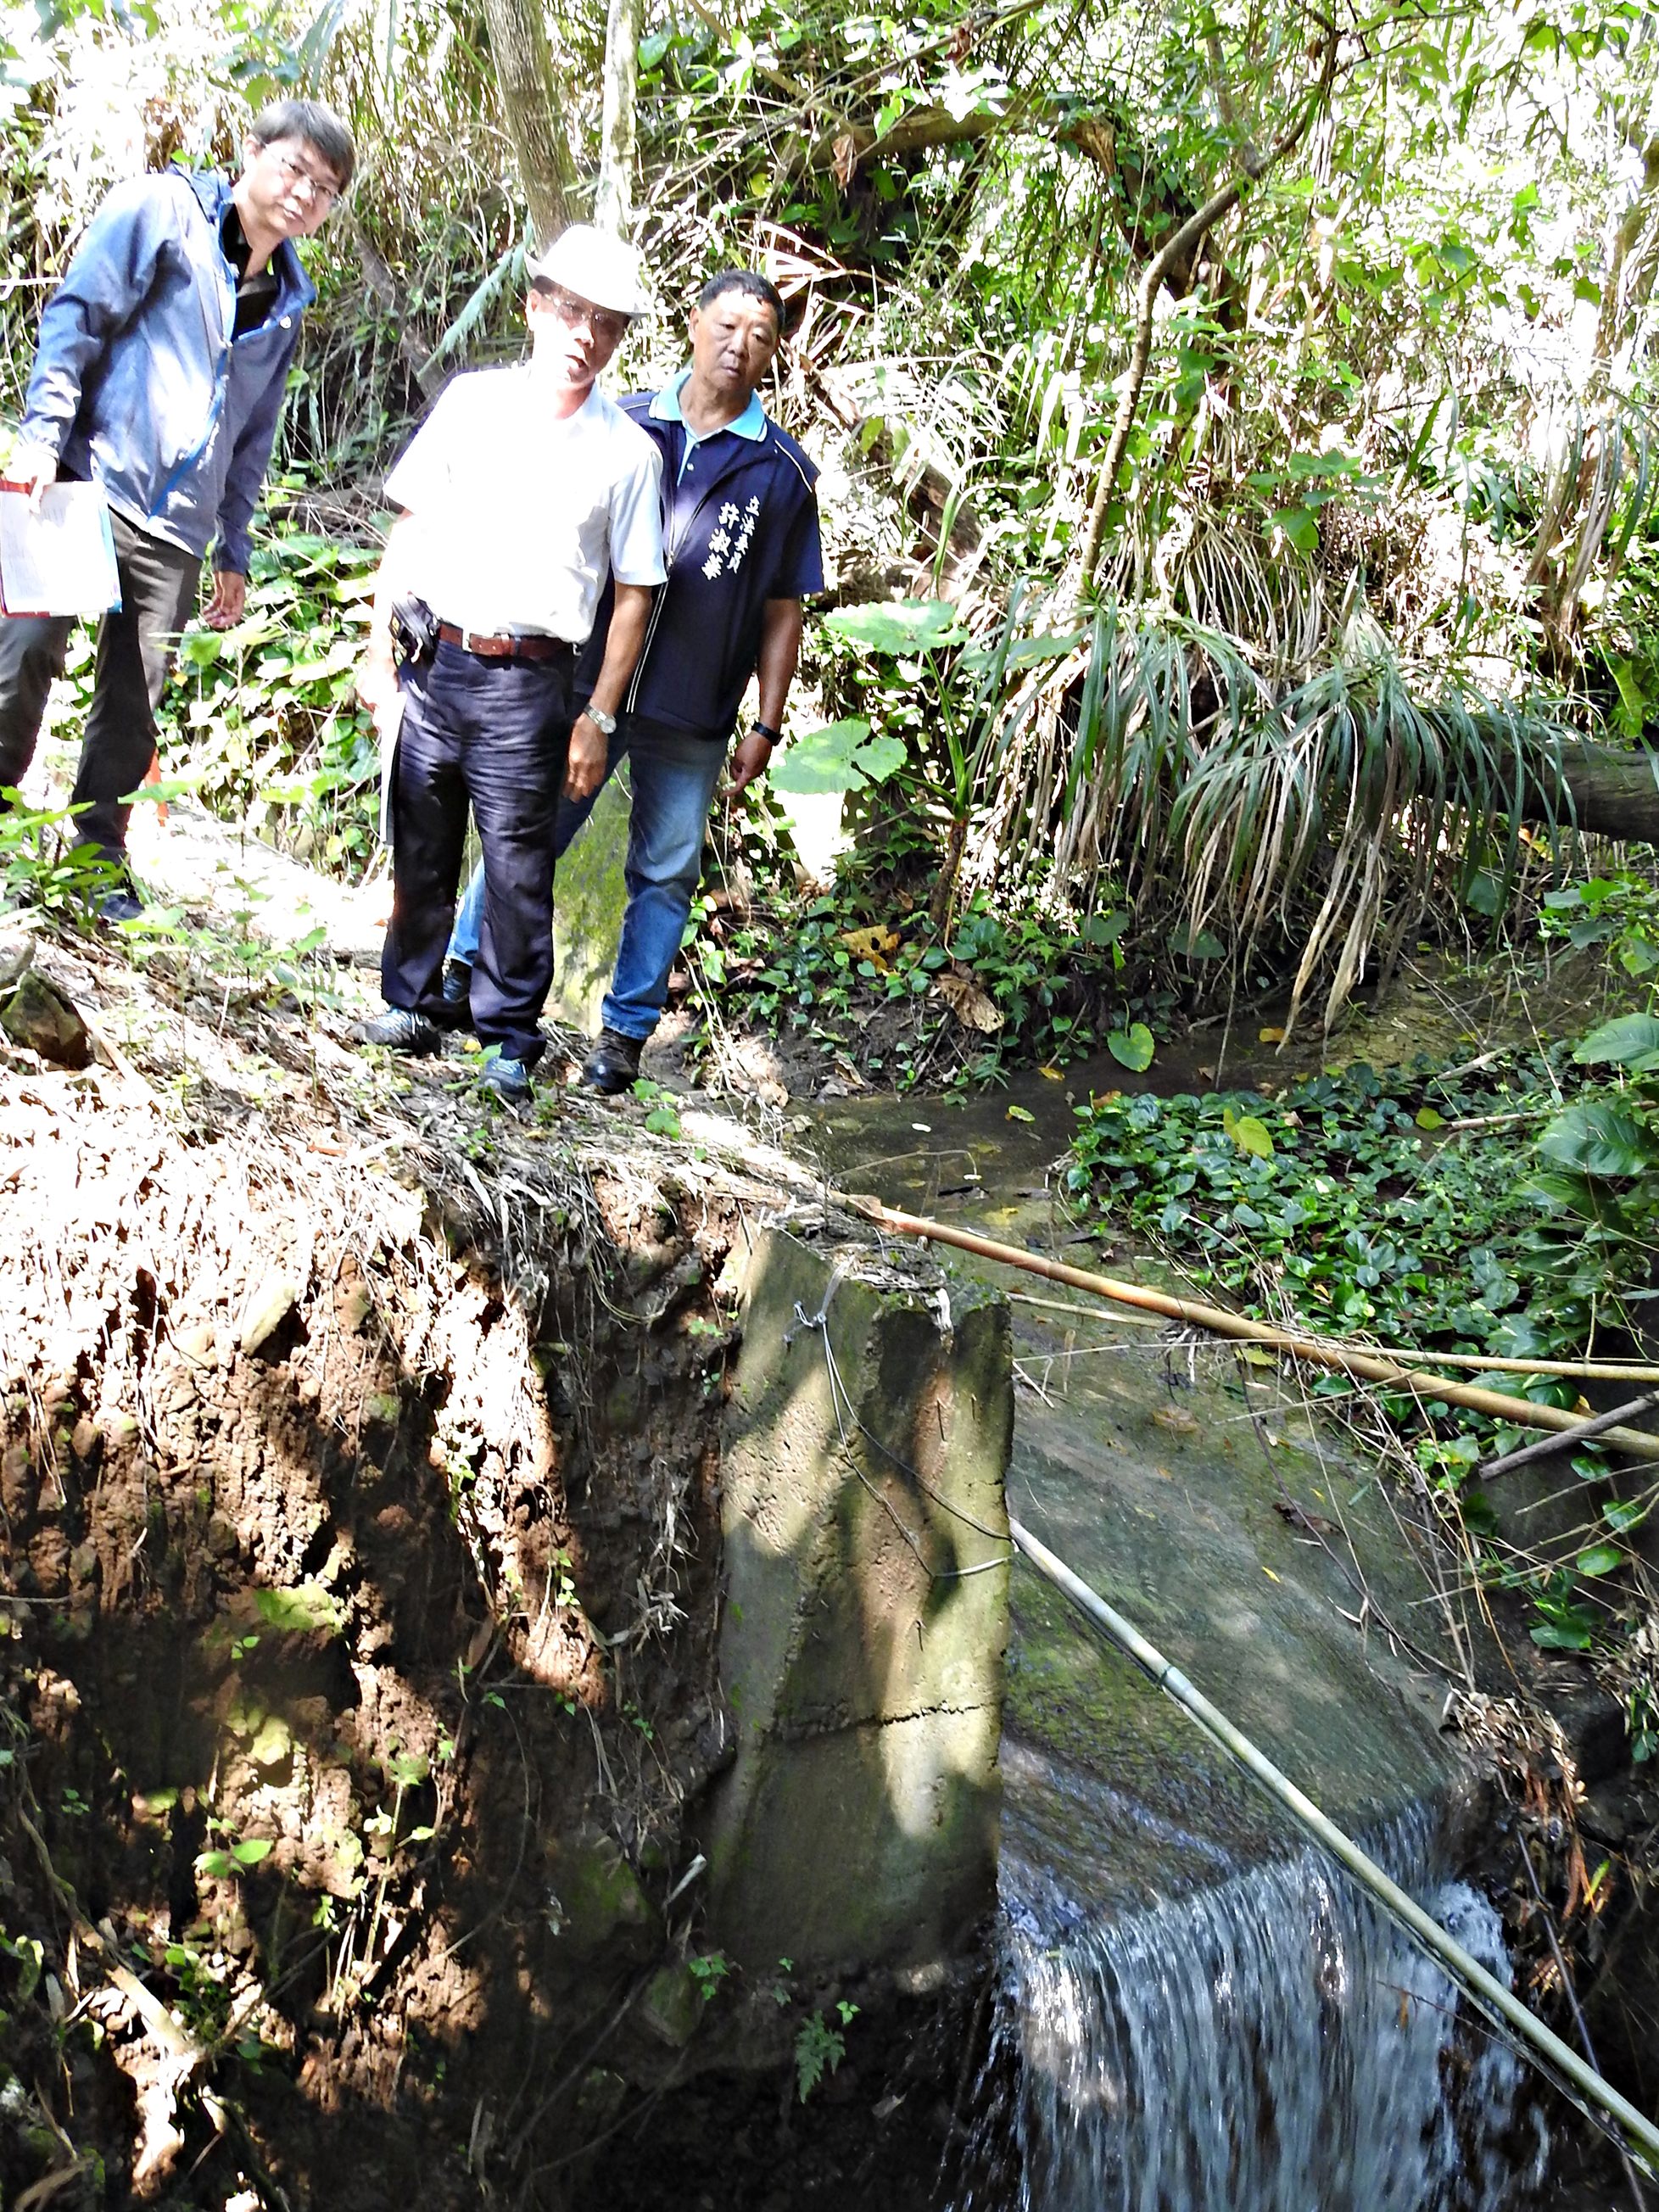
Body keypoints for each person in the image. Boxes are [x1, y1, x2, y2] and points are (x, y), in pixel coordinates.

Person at [443, 268, 824, 1095]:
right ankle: (460, 974)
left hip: (693, 706)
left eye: (760, 337)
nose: (739, 346)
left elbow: (783, 611)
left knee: (666, 870)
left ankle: (621, 1037)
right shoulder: (622, 424)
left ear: (775, 353)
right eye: (727, 326)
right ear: (693, 324)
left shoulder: (783, 471)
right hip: (587, 684)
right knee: (531, 827)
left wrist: (765, 723)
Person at [0, 98, 355, 919]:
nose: (304, 193)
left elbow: (254, 430)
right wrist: (41, 434)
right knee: (22, 654)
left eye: (325, 187)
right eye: (294, 167)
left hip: (179, 524)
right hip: (86, 474)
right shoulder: (163, 210)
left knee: (136, 700)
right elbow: (77, 315)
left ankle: (94, 863)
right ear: (254, 152)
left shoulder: (288, 298)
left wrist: (234, 546)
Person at [354, 224, 665, 1105]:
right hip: (437, 654)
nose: (584, 337)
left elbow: (636, 593)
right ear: (534, 307)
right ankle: (410, 1002)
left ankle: (508, 1040)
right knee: (421, 840)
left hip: (534, 678)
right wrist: (379, 649)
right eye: (571, 311)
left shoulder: (626, 454)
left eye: (606, 324)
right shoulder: (472, 403)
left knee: (519, 863)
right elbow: (410, 527)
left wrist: (598, 717)